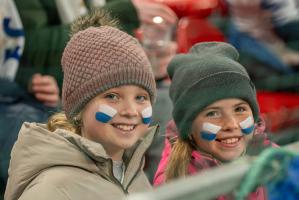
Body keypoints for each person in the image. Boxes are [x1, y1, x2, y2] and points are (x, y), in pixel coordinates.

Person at [4, 10, 158, 200]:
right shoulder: (51, 190)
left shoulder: (135, 176)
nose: (131, 111)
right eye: (112, 96)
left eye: (141, 98)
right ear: (78, 108)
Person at [153, 42, 276, 199]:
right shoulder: (175, 187)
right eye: (213, 114)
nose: (231, 124)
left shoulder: (274, 159)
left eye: (239, 110)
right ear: (188, 127)